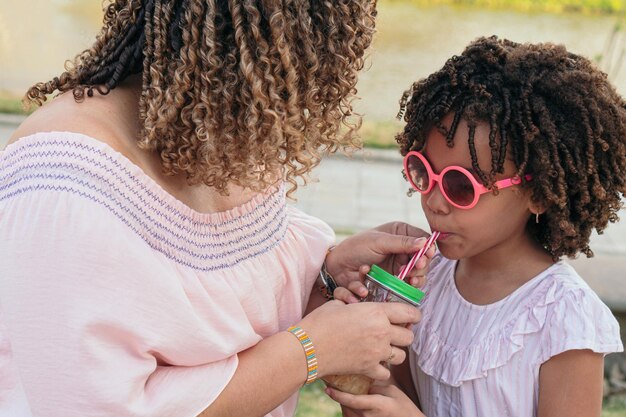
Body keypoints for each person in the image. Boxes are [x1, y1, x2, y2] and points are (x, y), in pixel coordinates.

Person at [0, 1, 434, 416]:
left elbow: (223, 320)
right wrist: (309, 351)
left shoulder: (219, 127)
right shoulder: (65, 184)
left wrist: (322, 280)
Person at [328, 36, 626, 417]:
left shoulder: (564, 321)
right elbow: (389, 400)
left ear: (538, 194)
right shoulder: (425, 283)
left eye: (460, 185)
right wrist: (359, 357)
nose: (434, 201)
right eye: (423, 171)